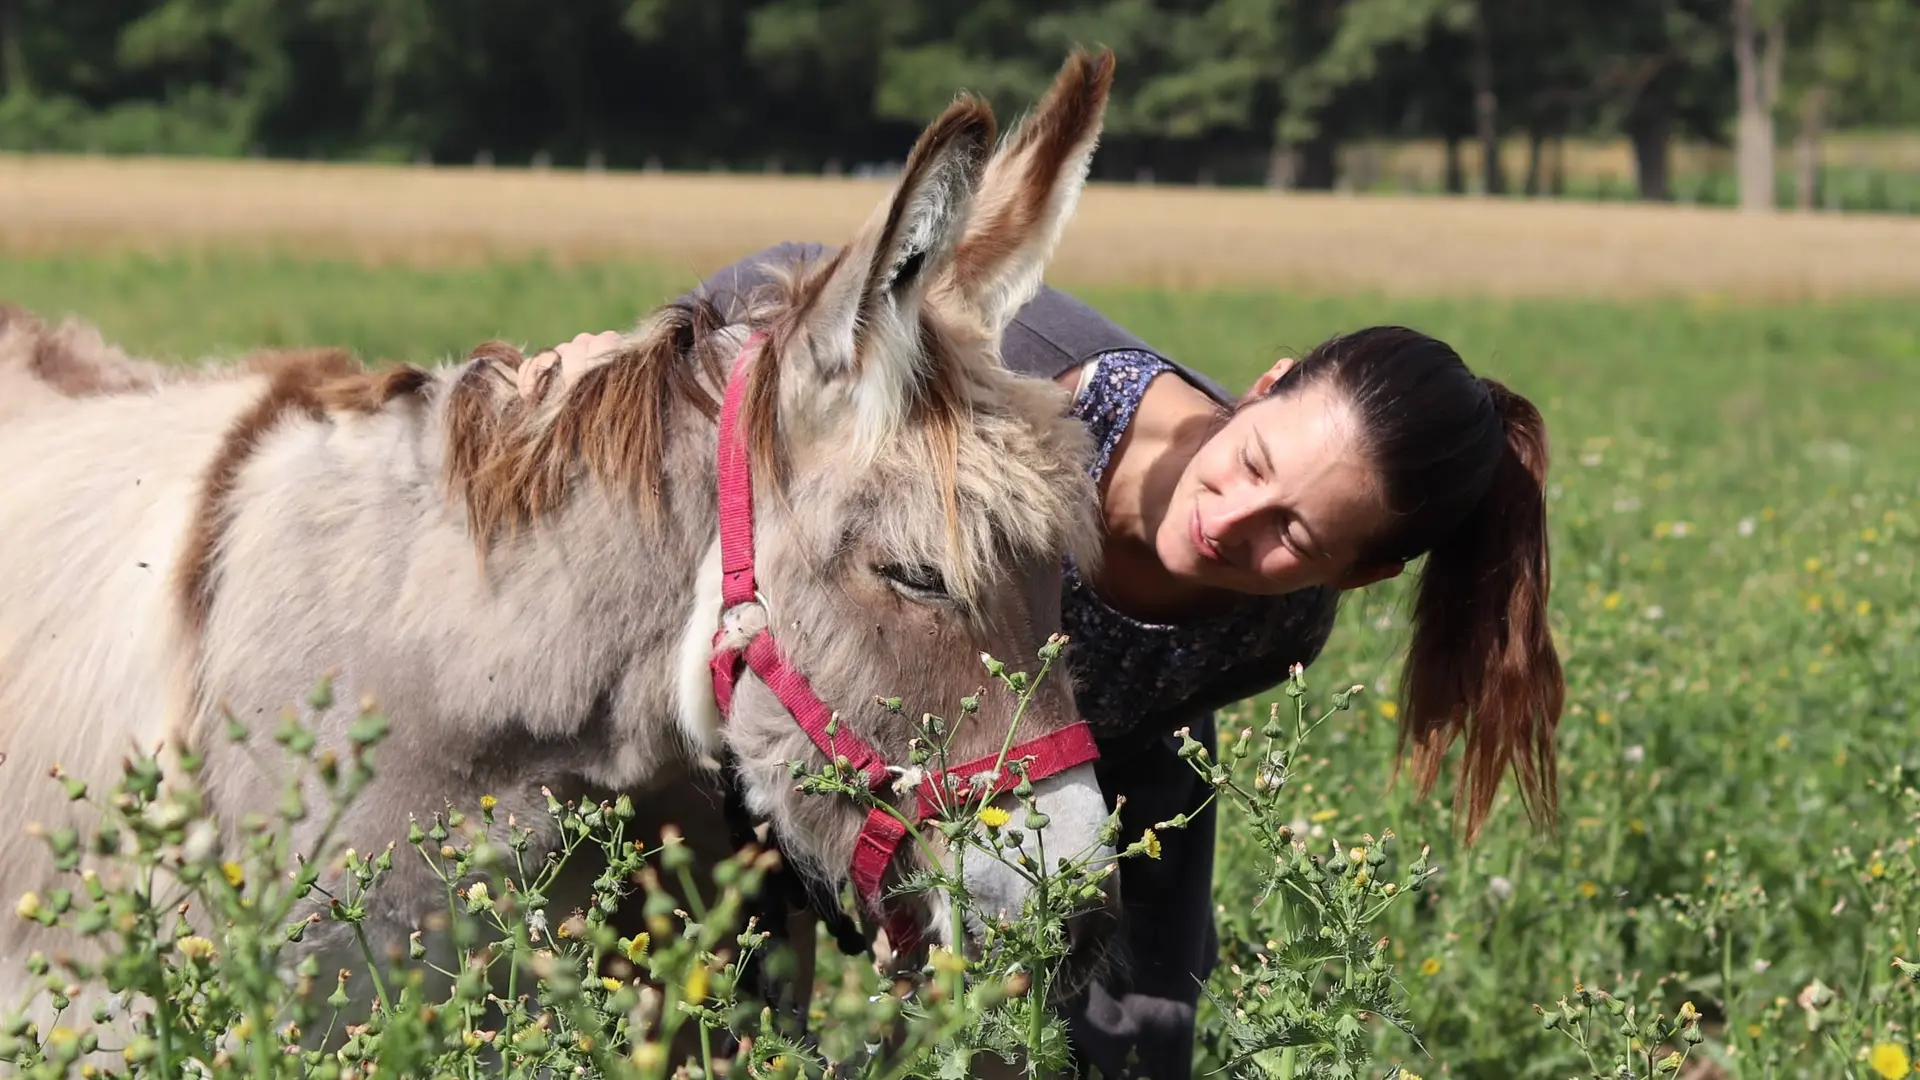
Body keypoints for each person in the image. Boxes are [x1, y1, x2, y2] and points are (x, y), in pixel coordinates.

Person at [520, 242, 1564, 1080]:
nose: (1231, 521)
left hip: (1081, 759)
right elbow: (793, 285)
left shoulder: (1279, 629)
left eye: (1295, 535)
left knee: (1131, 1032)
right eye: (1253, 462)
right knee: (708, 991)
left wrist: (992, 911)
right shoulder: (1020, 371)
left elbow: (1124, 752)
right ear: (1269, 383)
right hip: (853, 687)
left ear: (1358, 577)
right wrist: (627, 368)